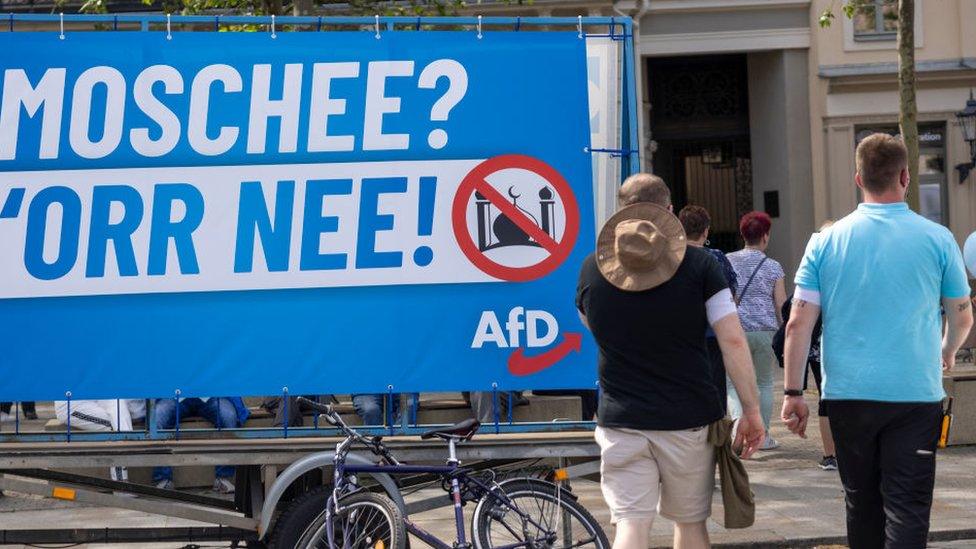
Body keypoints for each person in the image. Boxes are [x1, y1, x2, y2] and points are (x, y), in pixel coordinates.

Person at [782, 133, 974, 549]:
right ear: (906, 176)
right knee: (907, 508)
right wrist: (947, 349)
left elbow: (798, 322)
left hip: (848, 395)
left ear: (858, 178)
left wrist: (793, 391)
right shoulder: (938, 238)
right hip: (914, 395)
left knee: (861, 503)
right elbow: (962, 314)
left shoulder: (825, 242)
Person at [577, 173, 765, 549]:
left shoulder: (591, 269)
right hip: (688, 419)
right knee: (691, 524)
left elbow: (592, 326)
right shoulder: (701, 267)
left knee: (630, 525)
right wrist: (751, 410)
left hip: (620, 420)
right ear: (668, 211)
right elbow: (732, 340)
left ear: (621, 213)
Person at [772, 220, 837, 471]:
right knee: (834, 398)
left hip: (815, 347)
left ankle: (831, 454)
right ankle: (841, 452)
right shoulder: (845, 267)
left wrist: (793, 391)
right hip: (834, 346)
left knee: (826, 397)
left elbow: (793, 317)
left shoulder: (815, 267)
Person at [726, 211, 786, 450]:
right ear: (765, 236)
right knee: (764, 383)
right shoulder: (773, 267)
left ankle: (737, 434)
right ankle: (763, 437)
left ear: (743, 235)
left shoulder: (727, 260)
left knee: (732, 384)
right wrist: (785, 332)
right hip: (765, 330)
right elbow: (780, 302)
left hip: (734, 330)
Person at [679, 205, 739, 415]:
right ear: (706, 231)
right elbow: (732, 294)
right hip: (713, 333)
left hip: (680, 334)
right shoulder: (716, 258)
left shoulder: (670, 258)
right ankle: (716, 435)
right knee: (715, 388)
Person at [153, 397, 250, 493]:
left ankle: (223, 478)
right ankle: (163, 478)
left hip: (210, 396)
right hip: (175, 396)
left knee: (228, 416)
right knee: (157, 417)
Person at [54, 399, 146, 482]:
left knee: (118, 420)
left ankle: (121, 481)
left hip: (90, 400)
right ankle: (121, 483)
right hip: (71, 405)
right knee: (115, 427)